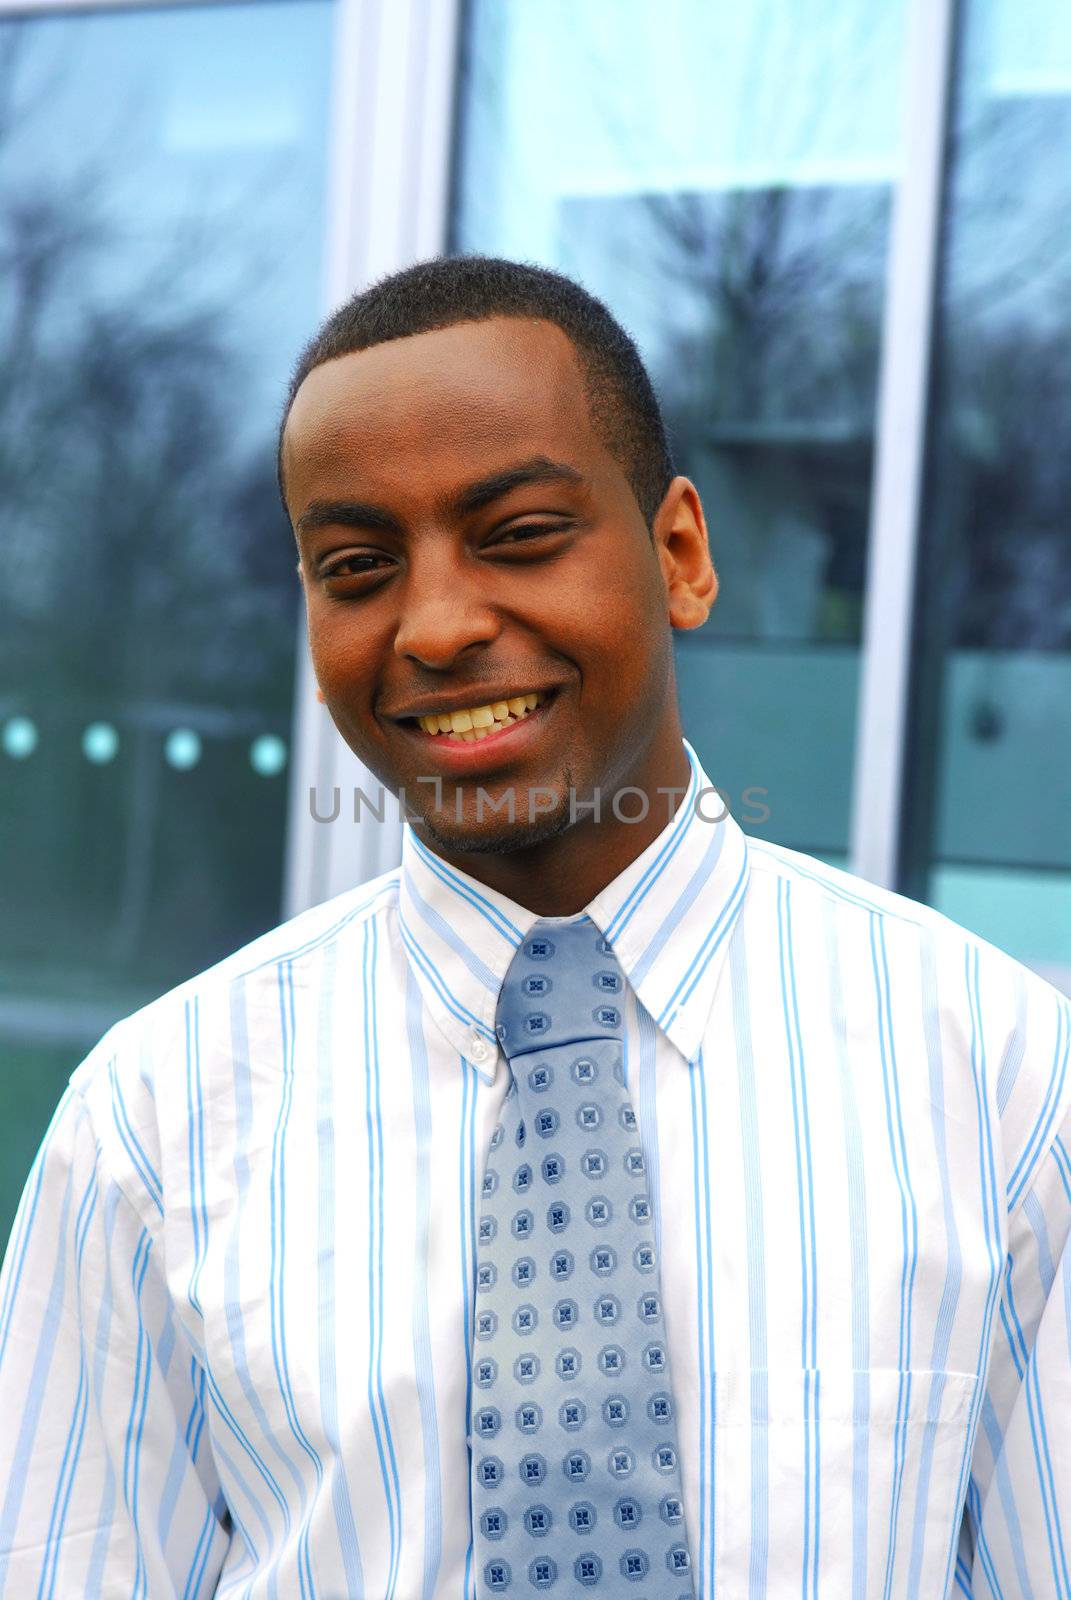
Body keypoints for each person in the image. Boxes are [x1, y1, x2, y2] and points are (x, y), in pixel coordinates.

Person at [0, 256, 1068, 1599]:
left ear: (679, 554)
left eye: (516, 535)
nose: (438, 626)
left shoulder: (1002, 1075)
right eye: (357, 565)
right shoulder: (151, 1131)